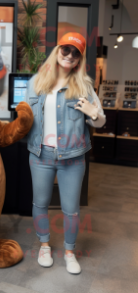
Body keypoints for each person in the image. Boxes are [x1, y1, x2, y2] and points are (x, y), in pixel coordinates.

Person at [25, 32, 106, 274]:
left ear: (79, 59)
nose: (69, 55)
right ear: (57, 51)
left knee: (71, 208)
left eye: (75, 53)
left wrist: (94, 112)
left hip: (73, 158)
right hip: (40, 155)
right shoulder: (36, 82)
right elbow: (25, 116)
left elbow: (100, 122)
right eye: (66, 50)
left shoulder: (84, 86)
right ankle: (44, 246)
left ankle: (70, 252)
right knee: (40, 203)